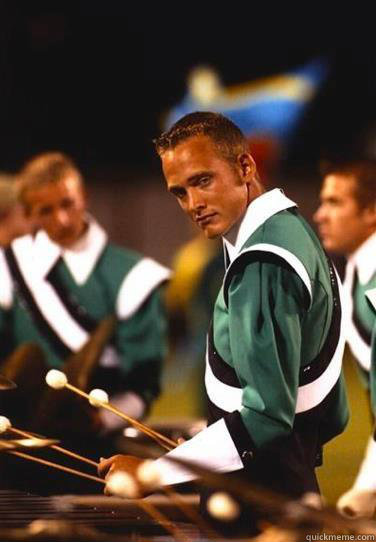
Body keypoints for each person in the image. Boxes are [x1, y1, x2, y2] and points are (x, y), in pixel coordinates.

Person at [99, 112, 348, 534]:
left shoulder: (263, 263)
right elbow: (333, 411)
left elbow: (267, 418)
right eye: (179, 192)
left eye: (202, 181)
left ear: (245, 167)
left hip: (261, 497)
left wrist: (153, 473)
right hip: (279, 476)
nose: (193, 204)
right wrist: (209, 446)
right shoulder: (287, 230)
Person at [0, 152, 170, 449]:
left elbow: (143, 385)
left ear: (84, 197)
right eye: (45, 210)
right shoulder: (8, 267)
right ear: (28, 214)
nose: (62, 220)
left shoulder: (134, 276)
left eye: (68, 204)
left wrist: (103, 419)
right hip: (20, 443)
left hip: (98, 445)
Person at [314, 160, 376, 516]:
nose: (320, 215)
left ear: (371, 212)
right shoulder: (356, 272)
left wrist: (366, 486)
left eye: (335, 203)